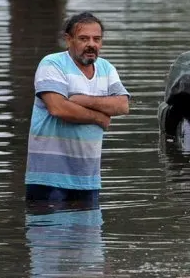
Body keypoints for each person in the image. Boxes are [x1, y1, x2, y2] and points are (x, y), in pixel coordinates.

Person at [25, 12, 130, 207]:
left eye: (96, 39)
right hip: (48, 178)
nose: (91, 44)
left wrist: (81, 99)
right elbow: (58, 108)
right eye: (83, 38)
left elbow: (122, 105)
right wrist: (99, 118)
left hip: (88, 178)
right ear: (68, 40)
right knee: (48, 235)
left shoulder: (107, 69)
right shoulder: (52, 64)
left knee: (89, 237)